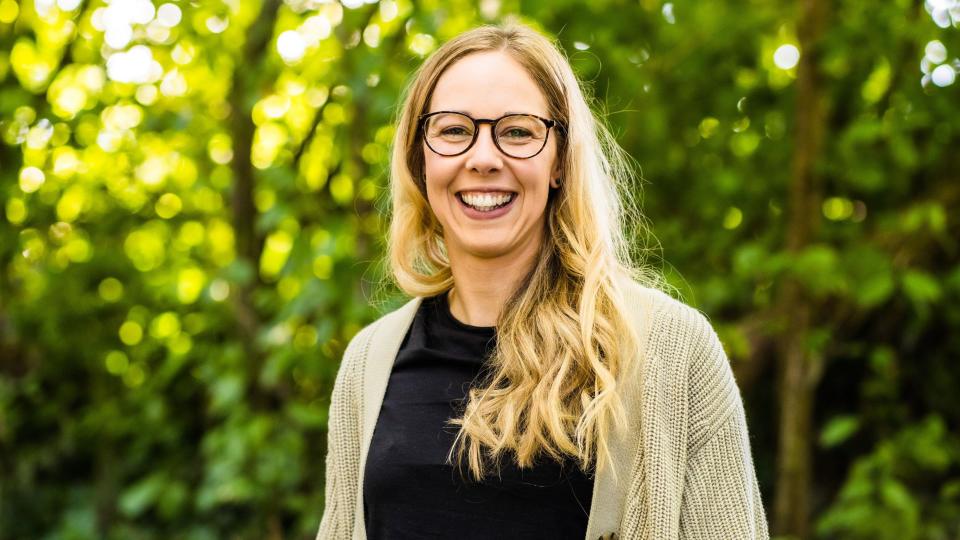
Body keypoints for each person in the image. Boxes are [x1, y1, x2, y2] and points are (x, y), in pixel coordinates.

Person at [316, 22, 769, 540]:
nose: (483, 158)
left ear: (560, 161)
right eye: (453, 130)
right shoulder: (368, 362)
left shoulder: (672, 351)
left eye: (517, 131)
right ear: (421, 160)